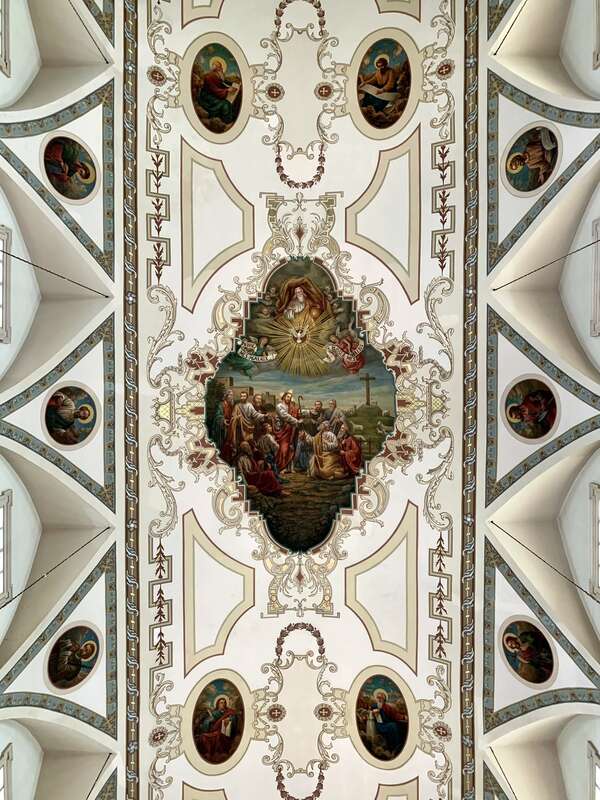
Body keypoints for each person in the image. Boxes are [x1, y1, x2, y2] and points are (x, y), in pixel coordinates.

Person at [197, 57, 240, 125]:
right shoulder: (209, 77)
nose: (221, 69)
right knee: (226, 104)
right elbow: (214, 89)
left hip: (215, 94)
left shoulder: (218, 75)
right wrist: (227, 90)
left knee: (229, 103)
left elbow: (223, 83)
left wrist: (233, 85)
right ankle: (227, 122)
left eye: (221, 67)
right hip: (207, 98)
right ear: (215, 68)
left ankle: (230, 119)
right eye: (219, 67)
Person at [225, 391, 266, 462]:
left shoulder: (249, 405)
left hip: (249, 429)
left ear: (246, 397)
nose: (242, 397)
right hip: (240, 429)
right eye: (241, 396)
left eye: (244, 396)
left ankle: (251, 461)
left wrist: (263, 415)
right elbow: (233, 417)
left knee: (251, 445)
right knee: (240, 446)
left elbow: (255, 414)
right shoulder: (237, 406)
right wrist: (237, 417)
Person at [196, 696, 239, 762]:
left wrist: (230, 719)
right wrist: (209, 721)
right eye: (221, 703)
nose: (223, 704)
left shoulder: (229, 711)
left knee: (218, 736)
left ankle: (216, 753)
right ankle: (208, 753)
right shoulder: (214, 713)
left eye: (224, 703)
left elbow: (234, 717)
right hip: (214, 731)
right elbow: (207, 723)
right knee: (203, 736)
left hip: (224, 732)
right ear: (217, 704)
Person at [368, 690, 408, 756]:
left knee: (395, 725)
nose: (380, 699)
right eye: (378, 697)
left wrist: (404, 717)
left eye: (381, 698)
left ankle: (395, 747)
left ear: (384, 699)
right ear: (376, 698)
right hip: (378, 725)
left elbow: (395, 715)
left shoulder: (388, 707)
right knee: (392, 726)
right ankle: (393, 747)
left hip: (386, 724)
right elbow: (368, 712)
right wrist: (372, 713)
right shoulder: (373, 706)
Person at [275, 390, 301, 472]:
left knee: (291, 448)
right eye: (287, 397)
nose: (289, 398)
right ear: (284, 397)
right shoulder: (279, 406)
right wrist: (296, 421)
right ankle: (282, 467)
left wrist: (298, 413)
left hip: (291, 430)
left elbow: (296, 414)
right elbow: (285, 416)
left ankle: (289, 468)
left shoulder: (291, 407)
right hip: (283, 430)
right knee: (284, 448)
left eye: (290, 397)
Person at [212, 389, 234, 457]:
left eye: (232, 395)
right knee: (222, 443)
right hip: (222, 428)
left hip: (229, 426)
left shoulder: (231, 405)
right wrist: (223, 420)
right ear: (226, 396)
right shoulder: (221, 404)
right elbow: (217, 415)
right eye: (230, 395)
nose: (232, 397)